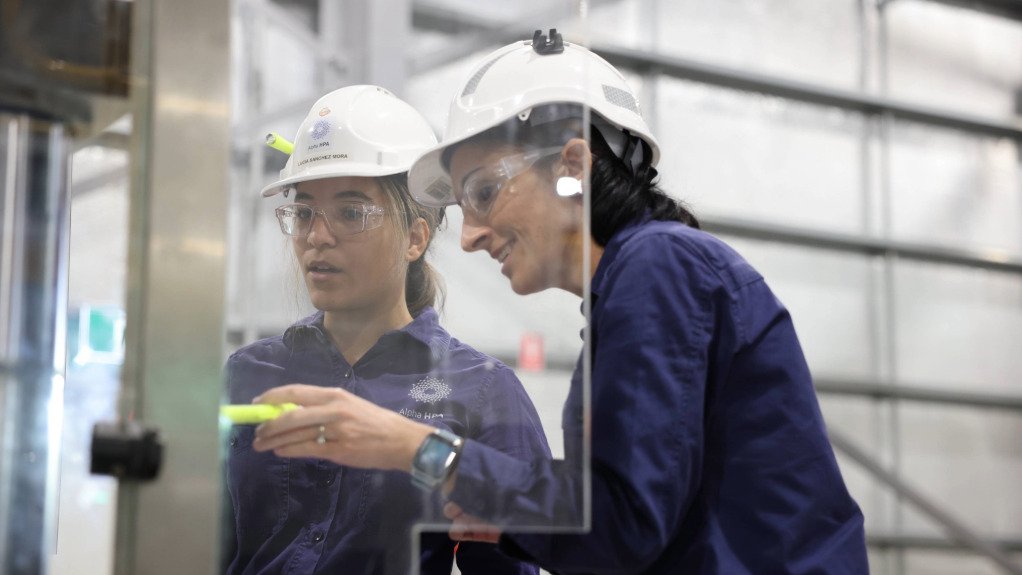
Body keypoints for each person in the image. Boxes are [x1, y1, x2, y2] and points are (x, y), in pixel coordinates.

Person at [254, 33, 869, 574]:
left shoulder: (659, 267)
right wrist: (507, 516)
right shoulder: (639, 286)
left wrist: (413, 447)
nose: (467, 234)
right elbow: (622, 521)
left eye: (485, 192)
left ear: (572, 166)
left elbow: (617, 525)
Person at [223, 85, 549, 575]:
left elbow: (516, 562)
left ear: (415, 237)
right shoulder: (251, 372)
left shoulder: (483, 391)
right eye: (304, 212)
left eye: (351, 213)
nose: (317, 237)